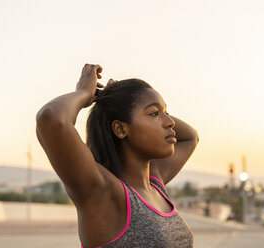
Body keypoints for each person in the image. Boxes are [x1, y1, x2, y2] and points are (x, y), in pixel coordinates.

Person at [36, 63, 199, 248]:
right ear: (120, 128)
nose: (170, 122)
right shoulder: (103, 193)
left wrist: (117, 101)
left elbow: (190, 137)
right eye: (154, 113)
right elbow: (52, 118)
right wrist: (84, 93)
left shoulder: (155, 184)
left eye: (166, 112)